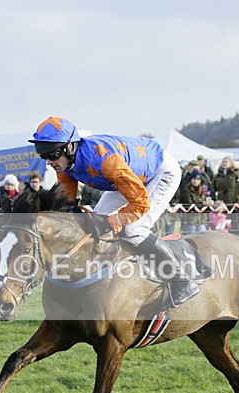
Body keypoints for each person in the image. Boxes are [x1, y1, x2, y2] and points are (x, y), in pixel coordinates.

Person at [29, 116, 198, 306]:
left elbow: (140, 203)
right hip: (129, 177)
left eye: (52, 155)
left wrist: (114, 221)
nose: (49, 162)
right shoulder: (64, 164)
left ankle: (182, 280)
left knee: (134, 229)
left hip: (160, 171)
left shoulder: (103, 159)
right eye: (44, 156)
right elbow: (67, 201)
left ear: (69, 148)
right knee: (97, 221)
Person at [179, 170, 210, 234]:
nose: (196, 181)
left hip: (201, 220)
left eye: (198, 179)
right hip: (190, 221)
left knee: (202, 239)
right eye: (194, 179)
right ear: (191, 180)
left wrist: (209, 203)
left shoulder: (203, 191)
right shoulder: (186, 190)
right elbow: (188, 205)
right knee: (190, 239)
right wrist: (202, 204)